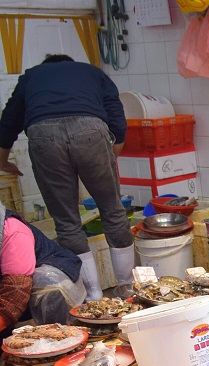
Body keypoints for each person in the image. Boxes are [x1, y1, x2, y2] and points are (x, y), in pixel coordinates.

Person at [0, 55, 133, 302]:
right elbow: (115, 113)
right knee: (113, 211)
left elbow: (9, 119)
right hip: (91, 131)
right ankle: (127, 289)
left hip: (43, 135)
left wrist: (3, 159)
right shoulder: (92, 72)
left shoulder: (31, 77)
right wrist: (111, 152)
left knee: (66, 221)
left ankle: (92, 294)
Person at [1, 203, 85, 336]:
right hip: (11, 291)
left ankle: (63, 337)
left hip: (51, 284)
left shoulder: (12, 231)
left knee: (48, 283)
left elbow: (16, 292)